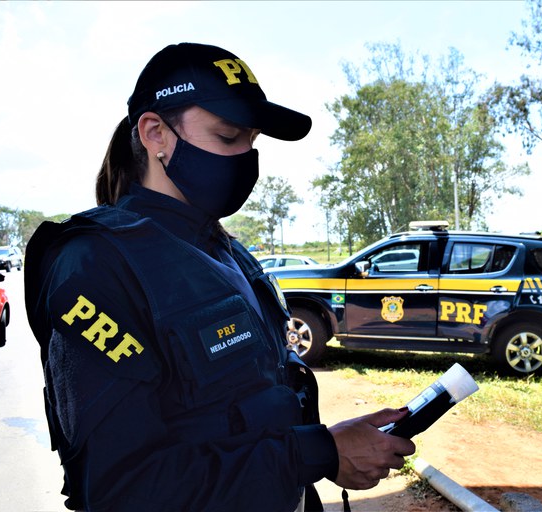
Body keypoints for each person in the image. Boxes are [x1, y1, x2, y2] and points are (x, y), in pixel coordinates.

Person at [24, 42, 415, 512]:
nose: (245, 157)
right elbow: (124, 489)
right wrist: (315, 453)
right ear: (155, 134)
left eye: (252, 140)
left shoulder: (228, 252)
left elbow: (250, 407)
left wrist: (329, 446)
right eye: (228, 137)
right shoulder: (96, 264)